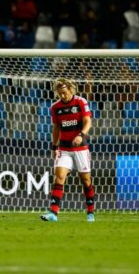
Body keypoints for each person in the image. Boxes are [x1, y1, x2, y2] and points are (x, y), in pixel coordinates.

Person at [40, 78, 95, 222]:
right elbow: (56, 128)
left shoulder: (80, 102)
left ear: (70, 89)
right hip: (64, 148)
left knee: (86, 180)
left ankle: (90, 212)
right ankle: (53, 213)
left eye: (64, 93)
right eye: (59, 94)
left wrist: (81, 135)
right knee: (59, 176)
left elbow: (88, 121)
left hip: (80, 148)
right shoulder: (55, 107)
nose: (62, 96)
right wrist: (54, 146)